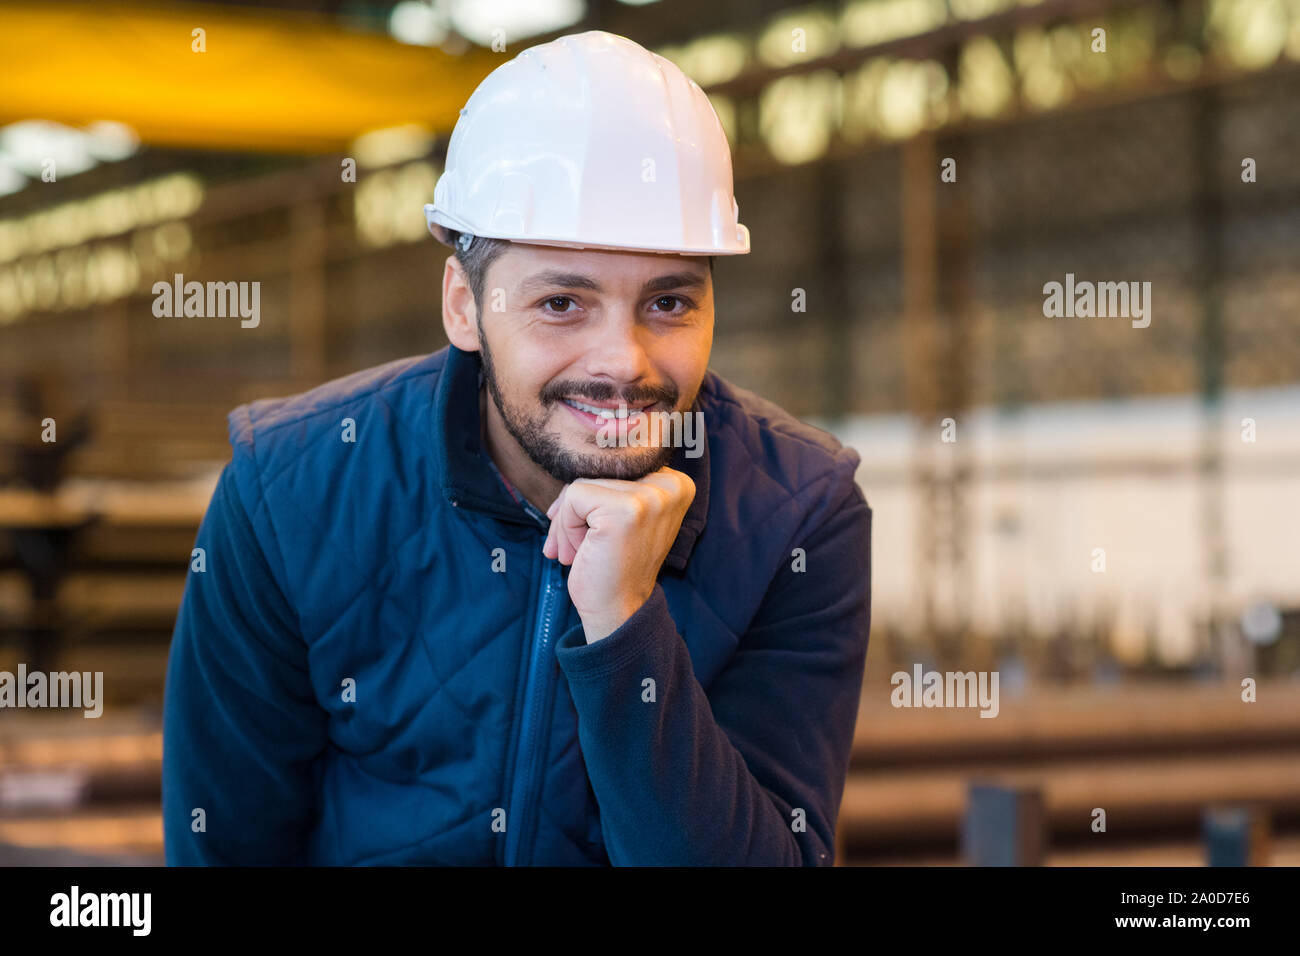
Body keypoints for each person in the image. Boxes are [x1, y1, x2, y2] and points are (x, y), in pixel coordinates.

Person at [162, 30, 872, 866]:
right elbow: (223, 848)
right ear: (463, 305)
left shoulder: (798, 513)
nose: (625, 362)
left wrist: (626, 629)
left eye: (670, 303)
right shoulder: (291, 494)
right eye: (563, 303)